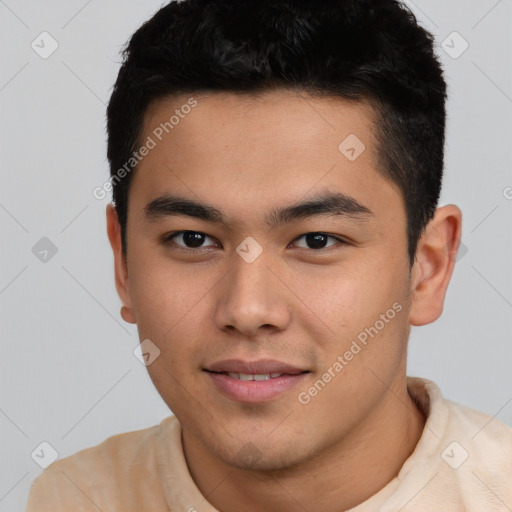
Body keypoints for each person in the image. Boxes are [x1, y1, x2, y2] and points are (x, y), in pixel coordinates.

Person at [26, 0, 512, 510]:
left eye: (317, 240)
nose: (248, 310)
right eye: (193, 239)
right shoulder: (71, 497)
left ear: (428, 268)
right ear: (123, 263)